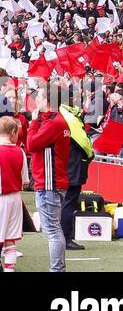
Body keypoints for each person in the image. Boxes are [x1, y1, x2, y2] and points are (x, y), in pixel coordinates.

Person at [26, 91, 72, 273]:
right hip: (52, 181)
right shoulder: (58, 121)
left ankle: (57, 270)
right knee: (53, 229)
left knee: (53, 230)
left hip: (49, 183)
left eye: (40, 97)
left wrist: (34, 122)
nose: (36, 100)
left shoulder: (53, 123)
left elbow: (31, 145)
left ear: (47, 100)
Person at [58, 103, 94, 252]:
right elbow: (84, 143)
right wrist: (91, 155)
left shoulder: (60, 115)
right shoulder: (70, 118)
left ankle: (60, 237)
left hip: (66, 165)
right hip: (73, 165)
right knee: (69, 203)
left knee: (63, 202)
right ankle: (66, 238)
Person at [0, 116, 25, 272]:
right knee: (10, 240)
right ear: (13, 132)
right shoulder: (20, 151)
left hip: (1, 197)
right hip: (15, 198)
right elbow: (26, 180)